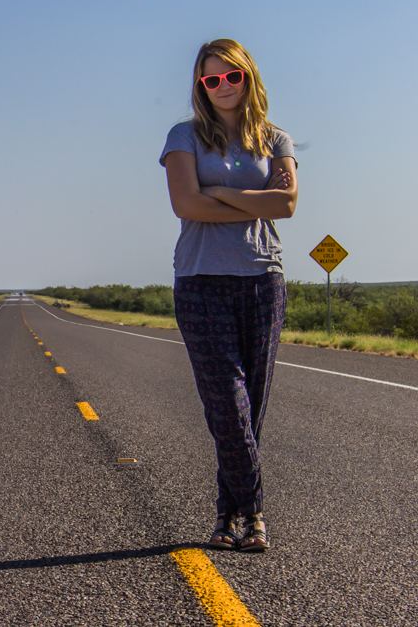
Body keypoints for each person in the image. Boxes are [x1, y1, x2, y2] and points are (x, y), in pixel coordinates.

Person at [160, 39, 298, 553]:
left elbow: (285, 204)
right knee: (229, 406)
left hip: (263, 279)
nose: (222, 87)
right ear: (200, 85)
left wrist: (217, 192)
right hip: (200, 282)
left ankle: (226, 516)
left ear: (248, 77)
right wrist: (248, 202)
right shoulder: (184, 136)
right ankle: (255, 514)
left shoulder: (276, 139)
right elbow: (185, 204)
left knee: (251, 407)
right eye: (210, 80)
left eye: (230, 77)